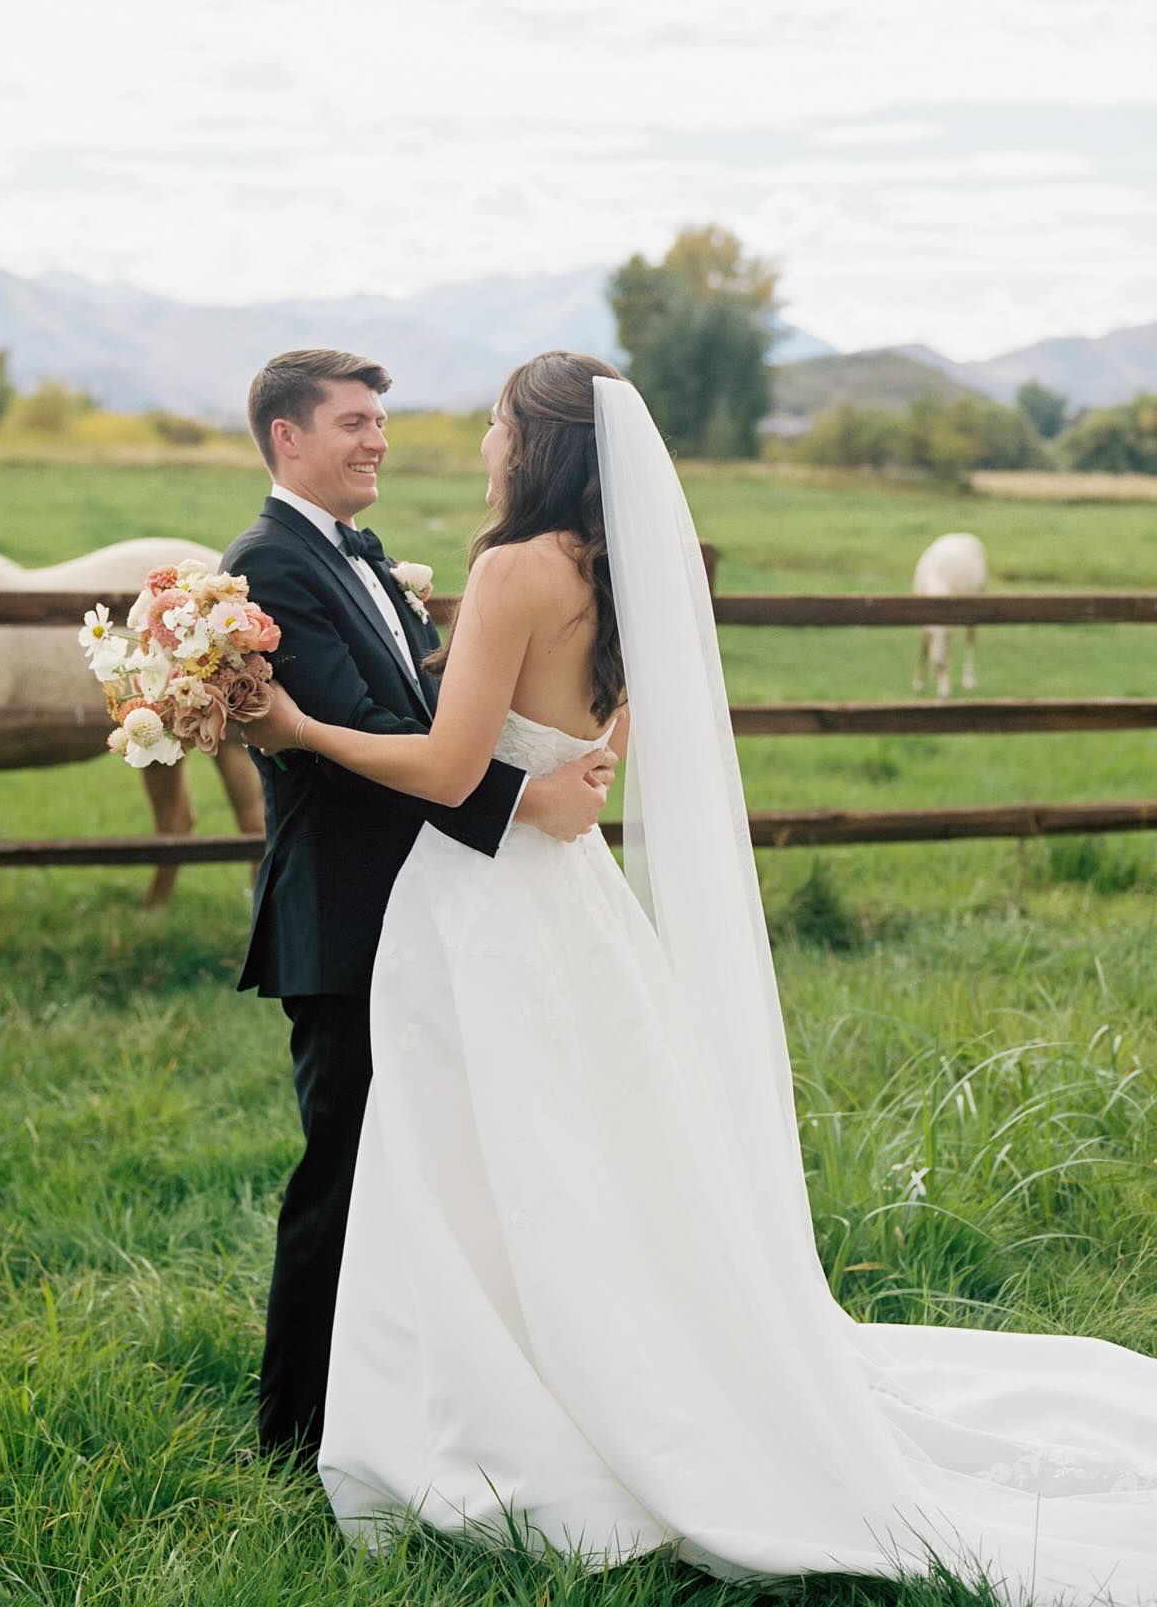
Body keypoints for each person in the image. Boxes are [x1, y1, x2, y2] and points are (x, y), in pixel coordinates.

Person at [243, 351, 1157, 1600]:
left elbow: (454, 769)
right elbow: (601, 752)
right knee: (570, 1162)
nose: (480, 444)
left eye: (500, 423)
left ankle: (494, 1414)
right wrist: (558, 783)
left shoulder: (512, 568)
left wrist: (293, 730)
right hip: (575, 902)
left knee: (465, 1161)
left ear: (544, 442)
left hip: (482, 909)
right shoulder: (620, 576)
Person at [222, 348, 617, 1462]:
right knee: (340, 1176)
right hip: (345, 913)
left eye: (380, 421)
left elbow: (424, 714)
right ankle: (295, 1433)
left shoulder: (367, 555)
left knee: (431, 1175)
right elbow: (378, 747)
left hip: (437, 906)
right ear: (285, 437)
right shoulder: (269, 566)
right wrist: (526, 798)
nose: (377, 441)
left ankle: (421, 1401)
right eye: (352, 422)